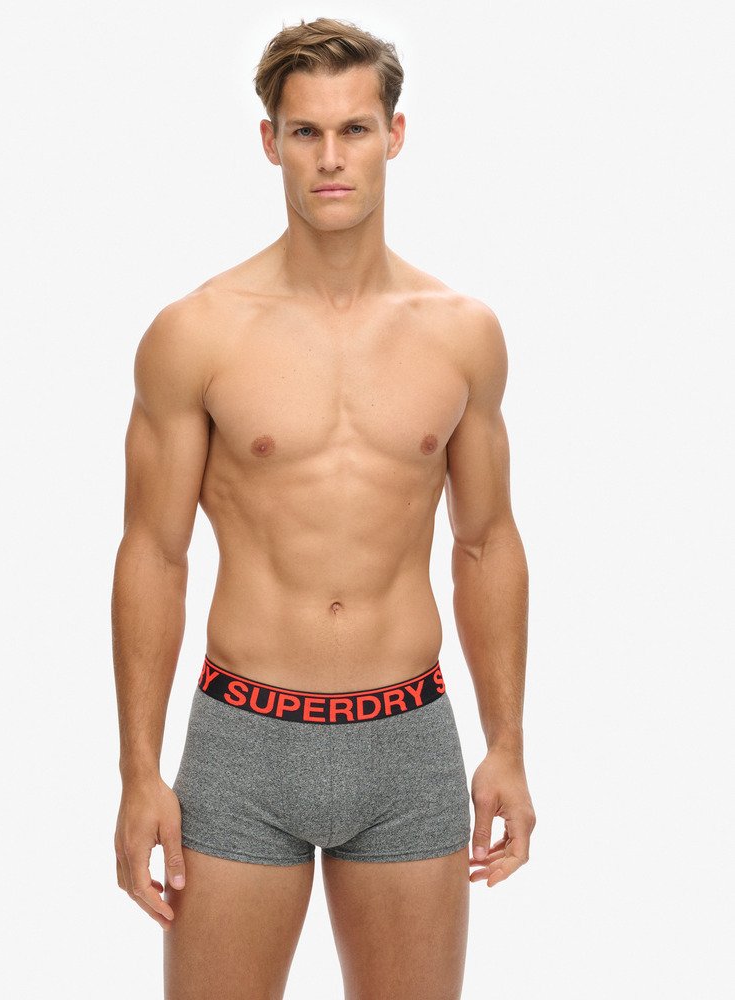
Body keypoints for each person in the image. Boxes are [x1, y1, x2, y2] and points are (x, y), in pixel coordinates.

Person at [111, 16, 535, 999]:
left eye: (353, 129)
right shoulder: (197, 333)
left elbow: (484, 543)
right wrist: (138, 772)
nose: (330, 157)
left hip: (407, 737)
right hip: (244, 738)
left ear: (394, 134)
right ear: (271, 142)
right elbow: (153, 555)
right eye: (306, 132)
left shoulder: (461, 334)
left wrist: (508, 744)